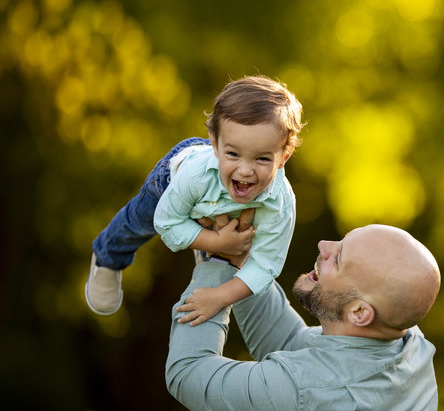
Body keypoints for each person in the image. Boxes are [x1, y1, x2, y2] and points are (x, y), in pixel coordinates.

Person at [167, 223, 442, 411]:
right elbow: (289, 342)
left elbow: (189, 371)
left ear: (359, 312)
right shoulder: (409, 343)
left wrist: (216, 265)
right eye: (342, 240)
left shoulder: (311, 396)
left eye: (338, 259)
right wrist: (241, 261)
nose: (324, 245)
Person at [85, 75, 305, 323]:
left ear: (284, 156)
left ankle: (208, 251)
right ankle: (107, 258)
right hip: (174, 180)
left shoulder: (280, 203)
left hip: (219, 213)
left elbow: (266, 265)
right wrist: (217, 242)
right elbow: (166, 222)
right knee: (137, 223)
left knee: (228, 255)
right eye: (233, 153)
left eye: (262, 159)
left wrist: (220, 296)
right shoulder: (194, 175)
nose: (245, 170)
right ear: (215, 144)